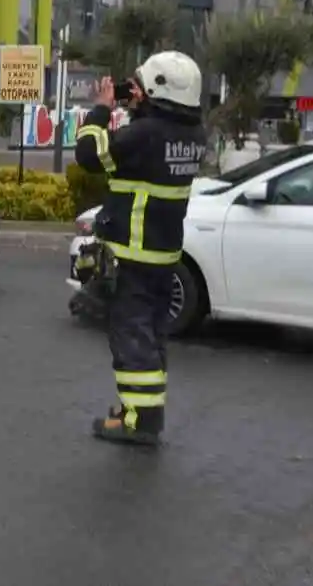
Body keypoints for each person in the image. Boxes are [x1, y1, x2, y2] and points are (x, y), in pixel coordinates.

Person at [73, 52, 207, 446]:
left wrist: (101, 108)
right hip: (163, 257)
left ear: (156, 89)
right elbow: (133, 164)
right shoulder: (191, 135)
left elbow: (90, 156)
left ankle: (138, 422)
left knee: (131, 338)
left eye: (140, 84)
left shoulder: (147, 135)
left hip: (132, 257)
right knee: (151, 337)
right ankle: (143, 410)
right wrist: (135, 109)